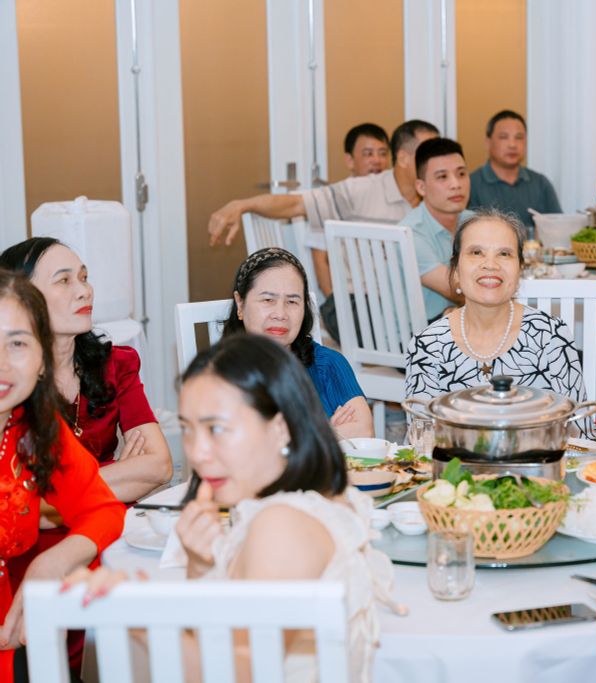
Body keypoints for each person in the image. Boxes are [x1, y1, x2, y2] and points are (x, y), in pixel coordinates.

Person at [65, 334, 402, 681]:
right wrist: (201, 566)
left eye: (217, 428)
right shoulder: (292, 504)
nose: (198, 453)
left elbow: (245, 672)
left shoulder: (282, 525)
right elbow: (220, 636)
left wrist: (137, 617)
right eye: (189, 430)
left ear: (280, 428)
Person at [207, 120, 440, 341]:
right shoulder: (358, 190)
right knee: (434, 337)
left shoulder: (440, 199)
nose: (440, 160)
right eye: (431, 151)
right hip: (364, 308)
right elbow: (295, 204)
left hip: (410, 304)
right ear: (403, 157)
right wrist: (241, 205)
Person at [0, 270, 124, 681]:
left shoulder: (31, 430)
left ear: (42, 361)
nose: (2, 363)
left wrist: (52, 562)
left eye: (17, 343)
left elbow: (103, 510)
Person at [0, 238, 173, 500]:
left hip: (113, 517)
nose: (84, 291)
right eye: (64, 280)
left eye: (84, 277)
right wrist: (120, 471)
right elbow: (22, 500)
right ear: (21, 298)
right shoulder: (11, 380)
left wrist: (59, 491)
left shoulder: (115, 363)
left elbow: (160, 466)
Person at [405, 210, 591, 433]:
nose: (490, 264)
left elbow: (580, 431)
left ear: (520, 269)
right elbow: (421, 440)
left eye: (504, 254)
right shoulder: (428, 345)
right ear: (455, 269)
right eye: (476, 252)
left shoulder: (550, 335)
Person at [223, 248, 373, 440]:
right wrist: (325, 432)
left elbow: (364, 431)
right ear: (240, 304)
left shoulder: (326, 363)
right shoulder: (222, 374)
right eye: (268, 300)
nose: (280, 314)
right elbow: (240, 446)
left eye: (292, 302)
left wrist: (286, 439)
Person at [400, 137, 474, 322]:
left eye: (461, 174)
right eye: (442, 177)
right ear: (421, 187)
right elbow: (455, 289)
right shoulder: (409, 233)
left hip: (455, 319)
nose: (456, 184)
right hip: (419, 332)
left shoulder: (474, 222)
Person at [468, 110, 561, 232]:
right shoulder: (471, 184)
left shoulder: (540, 183)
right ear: (488, 143)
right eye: (504, 137)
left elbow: (558, 228)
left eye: (519, 137)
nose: (512, 144)